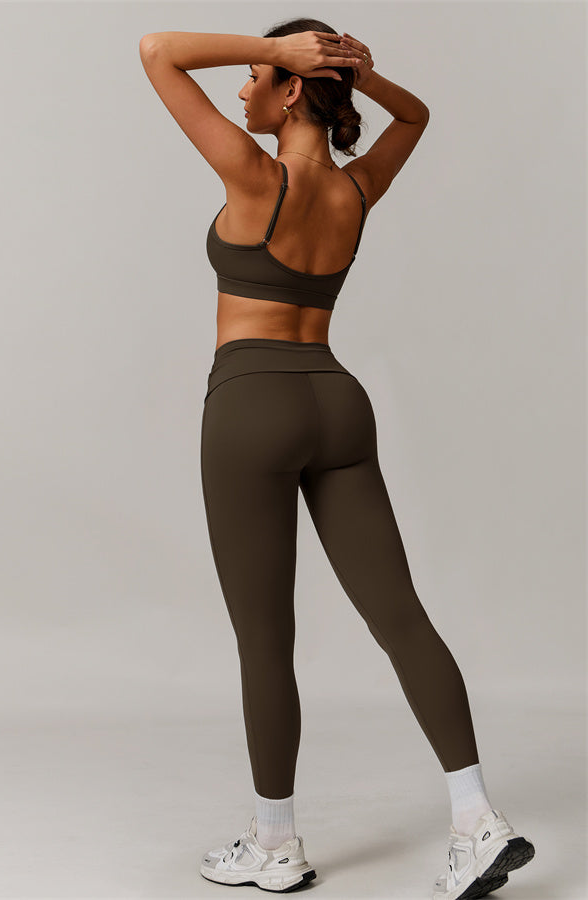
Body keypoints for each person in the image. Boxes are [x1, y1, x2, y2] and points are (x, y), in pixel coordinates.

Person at [139, 17, 535, 898]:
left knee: (265, 639)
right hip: (338, 401)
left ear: (290, 89)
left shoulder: (255, 176)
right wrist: (363, 73)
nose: (244, 86)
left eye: (256, 76)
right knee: (402, 618)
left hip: (252, 402)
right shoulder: (356, 189)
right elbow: (416, 115)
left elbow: (156, 51)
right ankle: (477, 821)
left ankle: (274, 843)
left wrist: (278, 49)